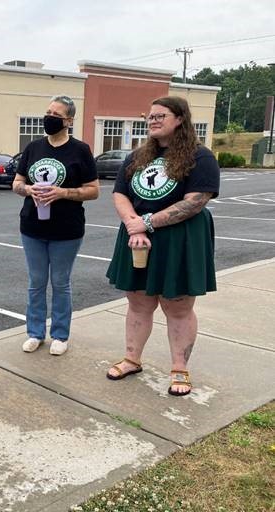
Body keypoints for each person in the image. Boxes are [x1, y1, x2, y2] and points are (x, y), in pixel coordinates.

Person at [105, 96, 220, 396]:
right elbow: (120, 194)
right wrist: (134, 224)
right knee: (138, 301)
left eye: (160, 115)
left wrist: (148, 223)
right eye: (150, 116)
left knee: (178, 306)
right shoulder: (137, 157)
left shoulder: (200, 156)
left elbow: (195, 201)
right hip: (136, 237)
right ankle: (132, 358)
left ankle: (179, 368)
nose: (153, 120)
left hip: (180, 239)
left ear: (180, 118)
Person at [12, 95, 99, 356]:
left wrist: (62, 193)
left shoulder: (80, 150)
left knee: (60, 282)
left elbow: (94, 190)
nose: (48, 117)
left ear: (69, 120)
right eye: (47, 112)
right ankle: (35, 332)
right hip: (32, 227)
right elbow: (17, 183)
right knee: (36, 282)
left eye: (56, 114)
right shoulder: (33, 148)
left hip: (66, 230)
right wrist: (28, 190)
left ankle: (60, 334)